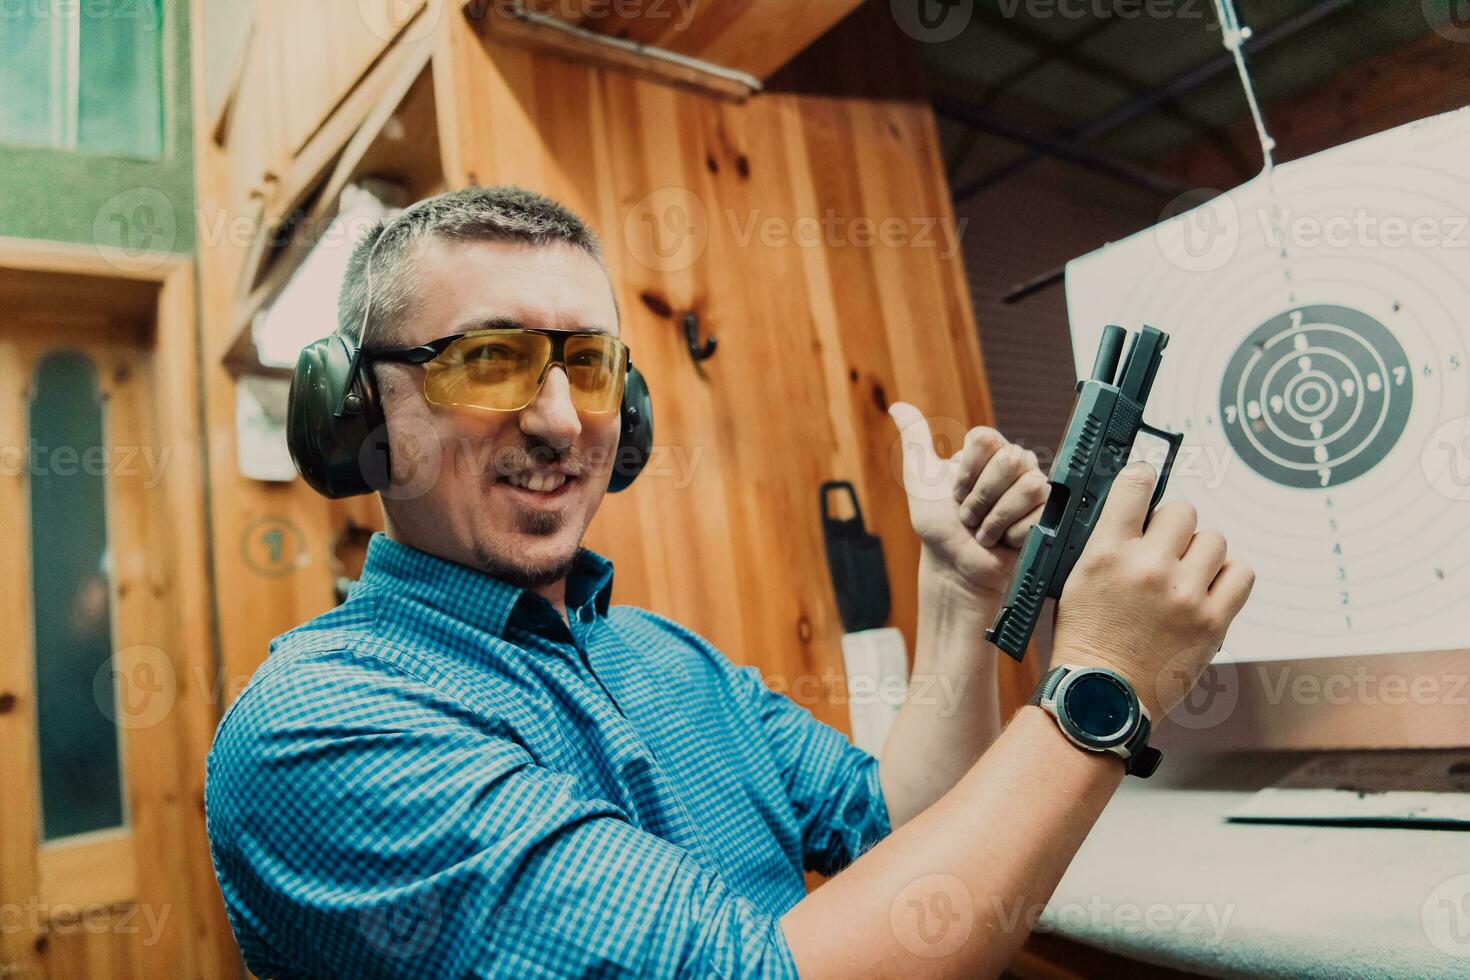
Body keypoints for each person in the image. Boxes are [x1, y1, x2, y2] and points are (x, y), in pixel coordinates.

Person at [205, 186, 1254, 979]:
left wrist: (957, 593)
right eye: (489, 360)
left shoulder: (668, 657)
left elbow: (897, 828)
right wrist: (1100, 690)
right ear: (357, 415)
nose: (563, 421)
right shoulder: (323, 727)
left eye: (592, 365)